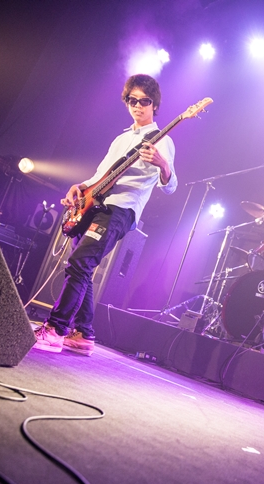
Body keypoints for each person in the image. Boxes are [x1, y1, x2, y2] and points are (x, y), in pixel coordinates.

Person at [33, 74, 177, 355]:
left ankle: (55, 329)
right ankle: (84, 334)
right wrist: (80, 187)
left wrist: (163, 164)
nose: (137, 106)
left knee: (79, 263)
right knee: (82, 269)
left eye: (144, 101)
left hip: (120, 209)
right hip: (95, 205)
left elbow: (171, 187)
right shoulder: (122, 138)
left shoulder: (162, 141)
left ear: (155, 105)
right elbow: (101, 176)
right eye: (132, 100)